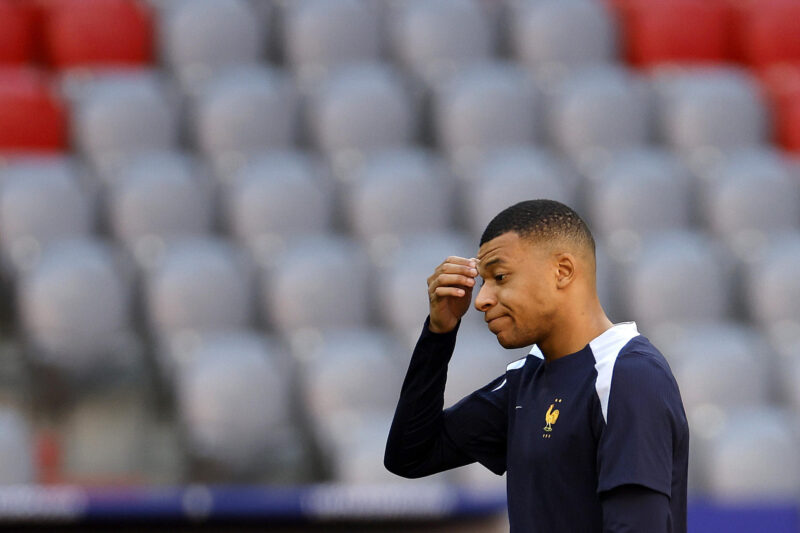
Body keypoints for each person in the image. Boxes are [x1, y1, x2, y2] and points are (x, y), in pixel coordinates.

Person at [384, 199, 689, 532]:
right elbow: (410, 455)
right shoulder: (526, 379)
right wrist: (439, 333)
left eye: (499, 277)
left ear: (562, 271)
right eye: (483, 282)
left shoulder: (628, 376)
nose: (482, 299)